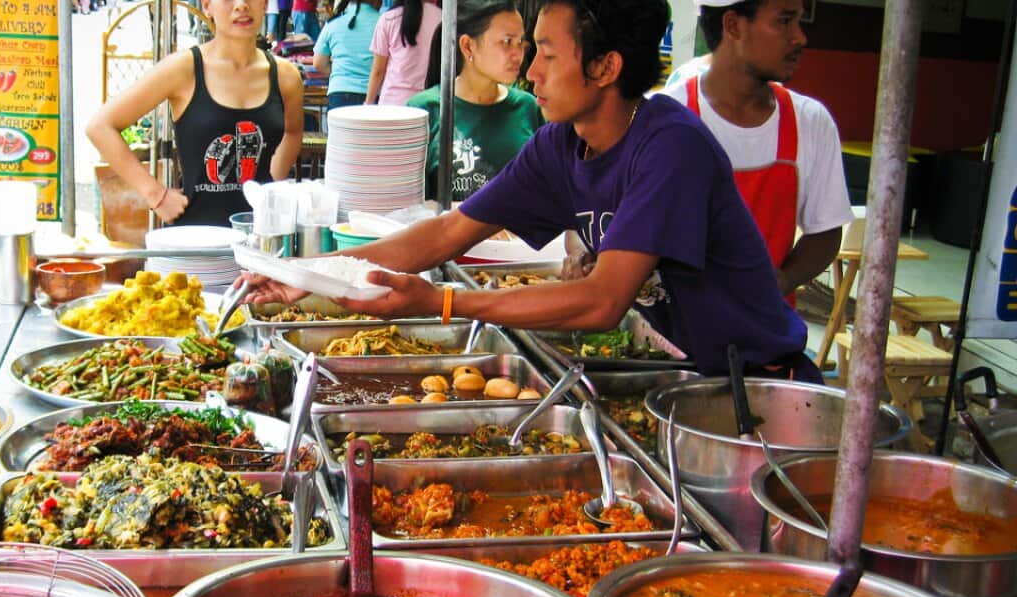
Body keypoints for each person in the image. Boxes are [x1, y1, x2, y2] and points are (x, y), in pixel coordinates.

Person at [245, 0, 818, 381]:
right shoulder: (560, 144)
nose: (530, 72)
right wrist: (311, 275)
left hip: (756, 385)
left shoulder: (670, 146)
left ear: (605, 67)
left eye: (546, 52)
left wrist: (442, 302)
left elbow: (601, 300)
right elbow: (449, 231)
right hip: (685, 376)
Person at [660, 0, 852, 304]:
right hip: (671, 333)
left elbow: (825, 231)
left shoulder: (810, 122)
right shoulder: (666, 118)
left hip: (766, 333)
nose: (800, 37)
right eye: (784, 21)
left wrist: (784, 279)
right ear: (734, 25)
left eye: (799, 21)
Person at [87, 0, 304, 227]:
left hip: (261, 235)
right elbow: (100, 127)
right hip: (196, 239)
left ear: (265, 4)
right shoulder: (183, 69)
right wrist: (155, 194)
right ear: (207, 6)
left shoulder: (285, 76)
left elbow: (293, 131)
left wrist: (269, 192)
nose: (241, 5)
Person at [408, 0, 542, 201]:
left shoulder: (529, 108)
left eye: (520, 42)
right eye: (506, 41)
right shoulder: (424, 110)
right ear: (468, 46)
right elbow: (412, 207)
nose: (518, 54)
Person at [365, 0, 441, 105]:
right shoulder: (440, 17)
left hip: (392, 103)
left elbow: (378, 71)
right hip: (428, 103)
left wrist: (368, 103)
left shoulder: (388, 18)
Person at [314, 0, 381, 111]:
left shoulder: (333, 23)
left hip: (339, 94)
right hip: (374, 95)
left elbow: (318, 63)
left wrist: (340, 73)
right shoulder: (383, 22)